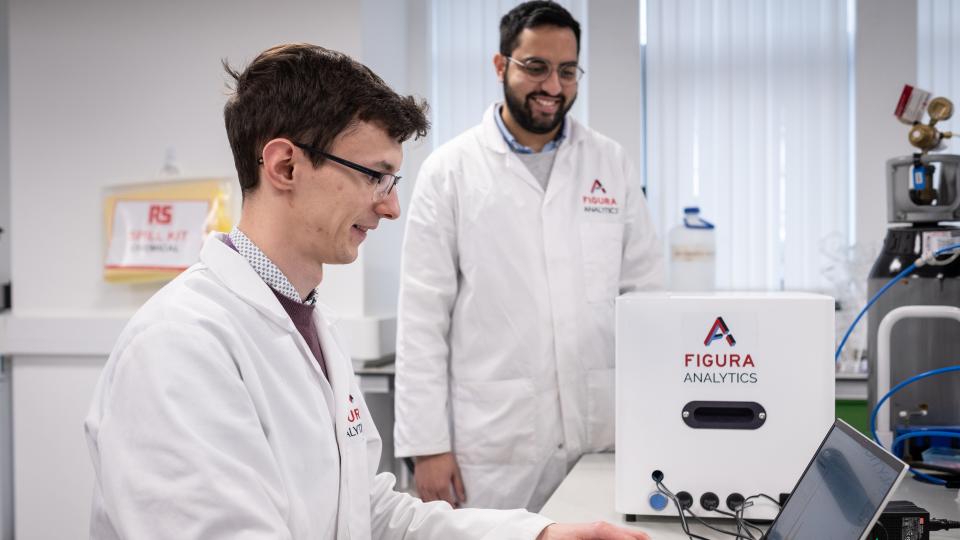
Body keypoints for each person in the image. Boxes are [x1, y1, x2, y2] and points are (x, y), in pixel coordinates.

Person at [83, 43, 650, 540]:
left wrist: (538, 535)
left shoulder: (309, 324)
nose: (391, 205)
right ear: (284, 166)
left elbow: (370, 515)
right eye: (373, 175)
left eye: (393, 180)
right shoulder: (180, 348)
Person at [395, 1, 664, 512]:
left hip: (602, 433)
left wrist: (657, 421)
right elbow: (422, 319)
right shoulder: (449, 171)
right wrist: (427, 447)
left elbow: (646, 300)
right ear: (501, 66)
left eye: (567, 71)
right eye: (535, 67)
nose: (553, 86)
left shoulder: (610, 162)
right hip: (494, 447)